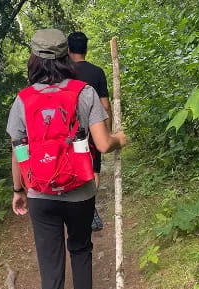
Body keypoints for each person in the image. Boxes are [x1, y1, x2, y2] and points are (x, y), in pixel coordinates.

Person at [6, 29, 126, 289]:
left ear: (33, 59)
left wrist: (18, 189)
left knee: (50, 264)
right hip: (80, 191)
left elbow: (19, 150)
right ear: (66, 56)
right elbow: (102, 144)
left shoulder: (23, 100)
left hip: (40, 194)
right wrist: (119, 139)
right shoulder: (84, 92)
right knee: (81, 248)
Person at [67, 32, 111, 232]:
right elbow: (105, 105)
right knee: (93, 169)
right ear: (86, 49)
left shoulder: (63, 72)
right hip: (93, 128)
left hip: (68, 128)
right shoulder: (97, 72)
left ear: (68, 50)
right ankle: (90, 209)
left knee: (71, 166)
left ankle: (73, 209)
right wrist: (107, 131)